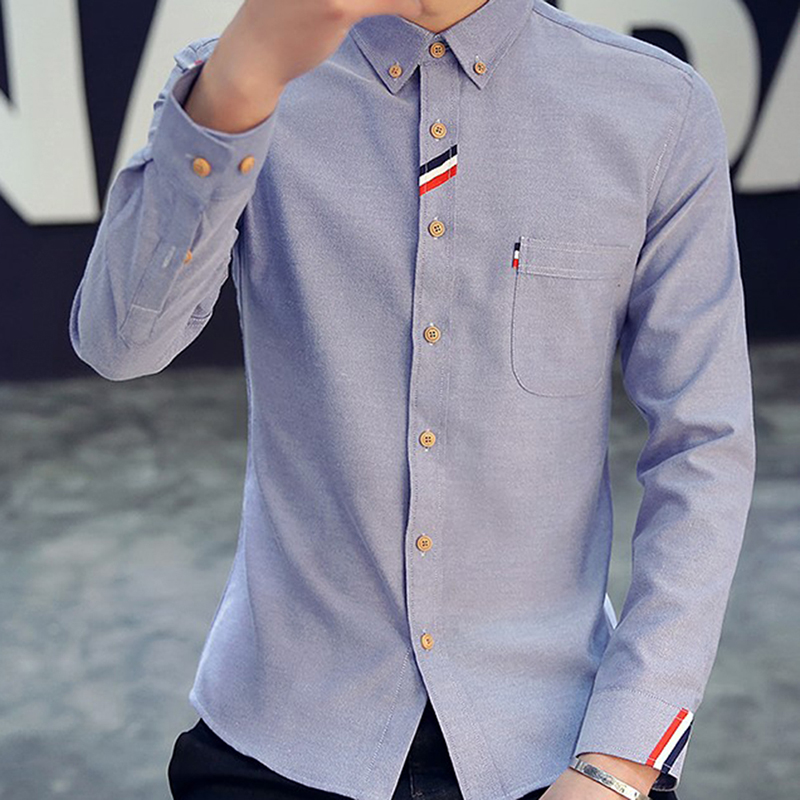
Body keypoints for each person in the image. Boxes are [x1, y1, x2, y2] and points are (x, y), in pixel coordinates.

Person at [68, 0, 756, 798]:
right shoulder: (238, 80)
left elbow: (703, 444)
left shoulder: (654, 107)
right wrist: (236, 89)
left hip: (559, 744)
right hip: (279, 732)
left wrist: (622, 761)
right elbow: (121, 346)